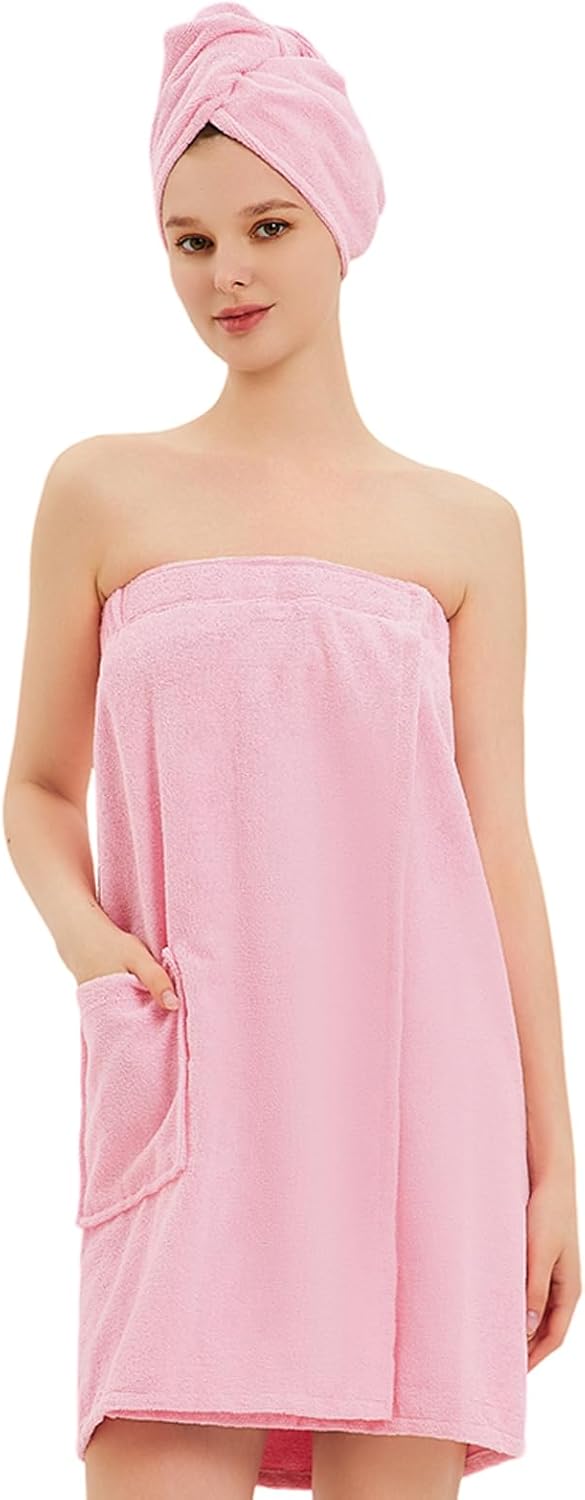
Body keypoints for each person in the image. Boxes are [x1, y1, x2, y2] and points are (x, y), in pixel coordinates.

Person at [3, 6, 580, 1499]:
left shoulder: (466, 529)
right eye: (189, 241)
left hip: (414, 1103)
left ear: (340, 223)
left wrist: (552, 1159)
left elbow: (499, 845)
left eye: (266, 226)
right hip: (193, 1080)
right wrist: (89, 944)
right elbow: (38, 785)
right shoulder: (103, 491)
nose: (227, 275)